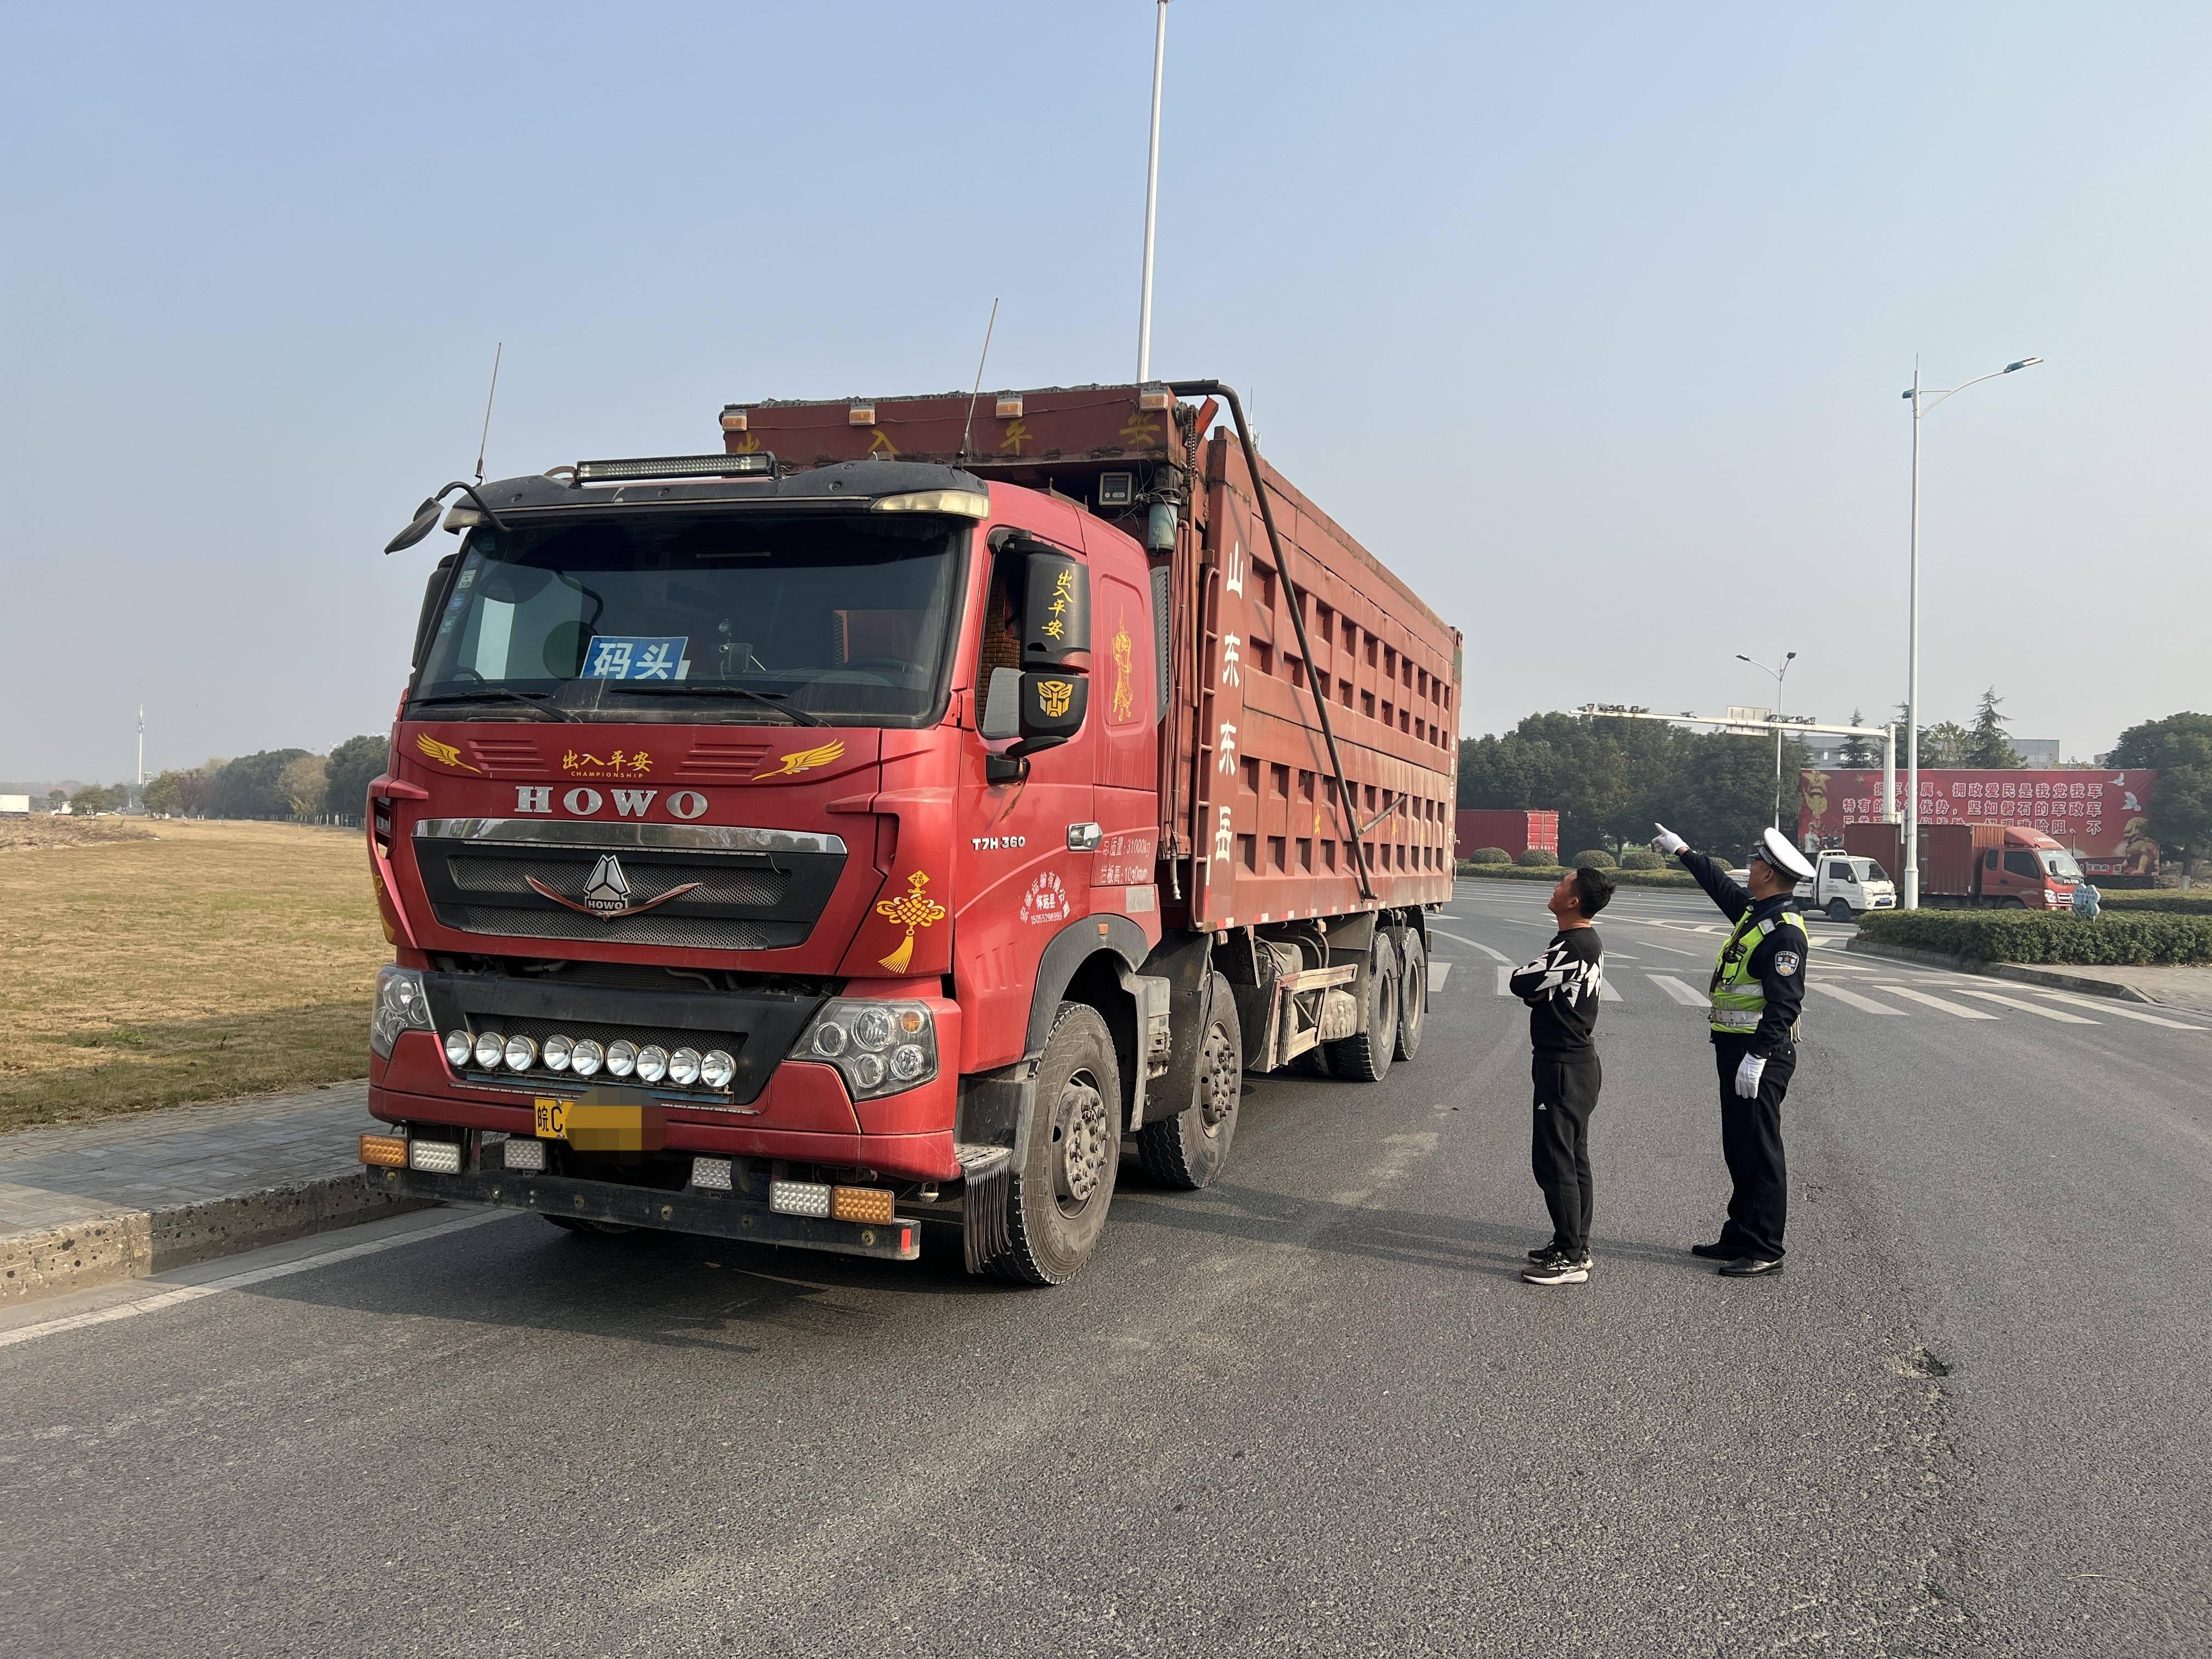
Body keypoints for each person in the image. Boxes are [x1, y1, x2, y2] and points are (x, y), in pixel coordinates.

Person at [1650, 822, 1815, 1277]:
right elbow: (1719, 887)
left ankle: (1766, 1246)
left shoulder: (1784, 933)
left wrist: (1759, 1058)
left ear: (1770, 874)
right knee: (1739, 1147)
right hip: (1735, 1049)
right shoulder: (1758, 913)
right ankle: (1739, 1234)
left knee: (1761, 1150)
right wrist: (1683, 850)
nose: (1751, 866)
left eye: (1758, 862)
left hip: (1760, 1054)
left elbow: (1786, 1004)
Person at [1510, 862, 1615, 1286]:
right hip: (1575, 1065)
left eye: (1562, 883)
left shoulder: (1573, 945)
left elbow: (1522, 982)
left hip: (1563, 1067)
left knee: (1555, 1161)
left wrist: (1536, 990)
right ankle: (1574, 1243)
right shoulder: (1581, 941)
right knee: (1573, 1158)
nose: (1554, 886)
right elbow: (1537, 990)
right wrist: (1538, 992)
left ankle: (1570, 1256)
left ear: (1574, 900)